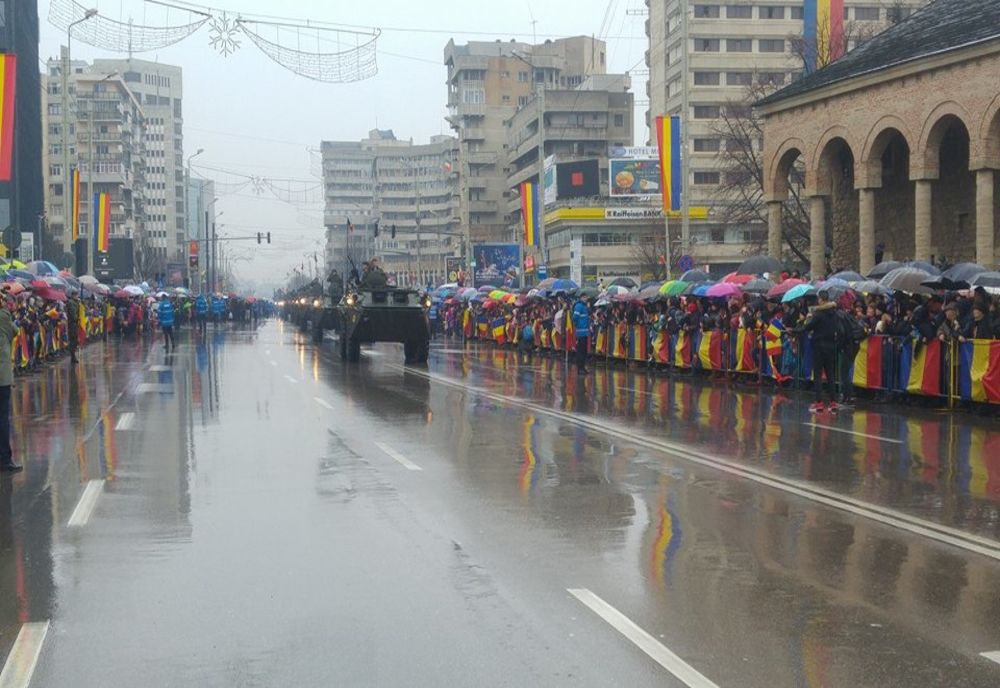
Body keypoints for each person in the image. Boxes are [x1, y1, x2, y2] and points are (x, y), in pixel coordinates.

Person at [800, 289, 839, 414]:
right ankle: (833, 402)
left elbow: (807, 327)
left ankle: (819, 403)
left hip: (819, 346)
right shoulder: (834, 313)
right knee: (830, 375)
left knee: (817, 374)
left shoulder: (818, 314)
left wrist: (802, 324)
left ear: (821, 299)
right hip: (831, 346)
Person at [0, 300, 20, 471]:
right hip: (1, 378)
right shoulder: (4, 317)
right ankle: (5, 459)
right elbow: (15, 331)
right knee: (2, 418)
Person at [571, 295, 591, 374]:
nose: (586, 299)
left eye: (586, 297)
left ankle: (582, 367)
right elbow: (575, 318)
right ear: (581, 298)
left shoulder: (585, 307)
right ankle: (580, 368)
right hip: (580, 332)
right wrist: (577, 325)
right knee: (580, 351)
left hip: (585, 332)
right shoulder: (579, 306)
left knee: (584, 351)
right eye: (584, 297)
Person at [66, 290, 82, 364]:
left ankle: (73, 356)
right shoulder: (71, 303)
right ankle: (73, 357)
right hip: (72, 324)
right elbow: (73, 314)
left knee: (75, 341)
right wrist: (77, 318)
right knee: (73, 341)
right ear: (73, 295)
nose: (77, 297)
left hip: (75, 324)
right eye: (76, 295)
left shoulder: (75, 303)